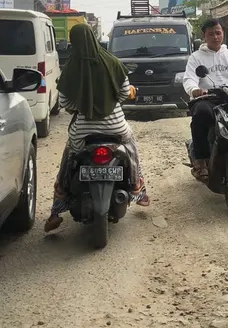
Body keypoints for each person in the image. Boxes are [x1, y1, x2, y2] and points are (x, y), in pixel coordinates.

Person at [44, 23, 149, 233]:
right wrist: (110, 104)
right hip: (115, 125)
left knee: (69, 157)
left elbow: (65, 102)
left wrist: (83, 106)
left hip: (83, 129)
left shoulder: (71, 68)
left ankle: (58, 206)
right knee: (130, 148)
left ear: (73, 43)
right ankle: (137, 186)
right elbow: (123, 92)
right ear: (93, 38)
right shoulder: (112, 62)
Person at [183, 18, 228, 180]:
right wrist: (195, 90)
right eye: (211, 34)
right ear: (204, 36)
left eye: (218, 33)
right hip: (206, 98)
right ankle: (200, 161)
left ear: (223, 34)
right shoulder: (196, 57)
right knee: (202, 114)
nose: (215, 37)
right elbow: (189, 79)